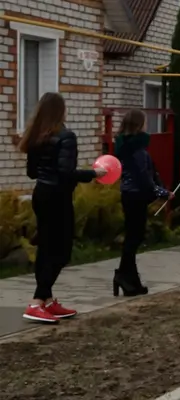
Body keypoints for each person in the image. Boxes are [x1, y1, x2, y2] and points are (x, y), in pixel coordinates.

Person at [18, 92, 107, 323]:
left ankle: (46, 300)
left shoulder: (36, 136)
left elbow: (31, 173)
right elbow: (67, 173)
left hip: (41, 194)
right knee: (61, 250)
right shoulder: (66, 136)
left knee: (47, 247)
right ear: (61, 111)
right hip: (57, 197)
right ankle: (37, 301)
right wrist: (93, 174)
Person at [114, 108, 170, 296]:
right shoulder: (136, 147)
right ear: (139, 125)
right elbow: (144, 176)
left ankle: (128, 278)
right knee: (134, 237)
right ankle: (124, 276)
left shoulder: (124, 144)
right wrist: (162, 192)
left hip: (128, 193)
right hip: (136, 195)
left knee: (133, 236)